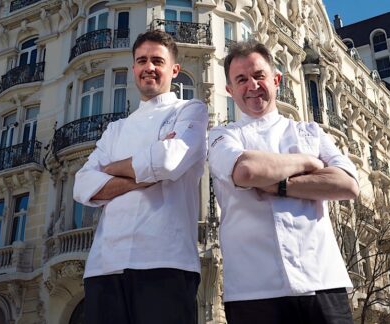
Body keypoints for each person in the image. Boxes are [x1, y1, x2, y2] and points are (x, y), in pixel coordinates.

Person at [208, 40, 360, 324]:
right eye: (241, 80)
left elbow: (348, 185)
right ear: (229, 90)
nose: (252, 85)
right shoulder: (221, 136)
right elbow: (248, 171)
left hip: (322, 281)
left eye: (259, 76)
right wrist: (308, 164)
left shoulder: (310, 132)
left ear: (276, 80)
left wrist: (279, 185)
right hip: (254, 290)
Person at [73, 30, 208, 324]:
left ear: (174, 69)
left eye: (157, 61)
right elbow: (82, 185)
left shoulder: (190, 110)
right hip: (104, 267)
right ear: (133, 68)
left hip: (167, 262)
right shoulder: (115, 129)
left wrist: (109, 170)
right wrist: (148, 174)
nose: (149, 67)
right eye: (142, 60)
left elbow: (170, 161)